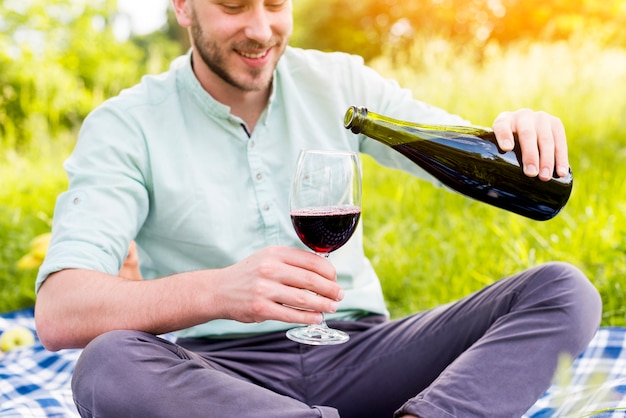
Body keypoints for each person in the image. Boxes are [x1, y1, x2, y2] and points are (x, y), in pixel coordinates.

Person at [34, 0, 602, 417]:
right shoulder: (126, 125)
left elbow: (451, 144)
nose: (260, 29)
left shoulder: (339, 82)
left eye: (275, 4)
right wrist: (218, 291)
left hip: (364, 353)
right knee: (107, 364)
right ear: (183, 6)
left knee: (563, 290)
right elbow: (61, 311)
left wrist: (516, 135)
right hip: (218, 379)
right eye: (233, 5)